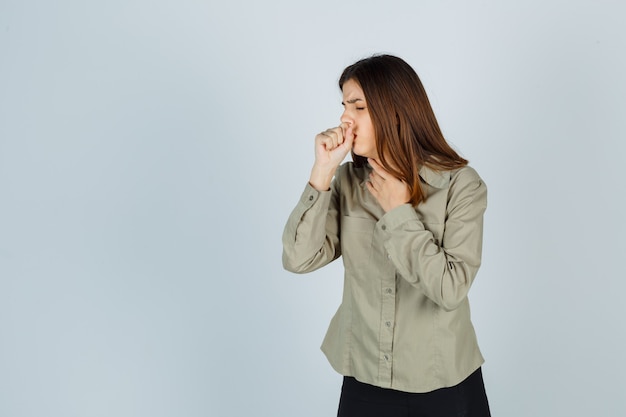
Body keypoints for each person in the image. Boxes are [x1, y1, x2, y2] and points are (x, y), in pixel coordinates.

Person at [282, 54, 491, 417]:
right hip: (364, 381)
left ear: (394, 111)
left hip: (444, 383)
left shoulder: (461, 186)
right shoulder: (347, 182)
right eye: (344, 106)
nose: (345, 117)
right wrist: (322, 173)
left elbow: (451, 288)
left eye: (358, 106)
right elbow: (298, 259)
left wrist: (398, 212)